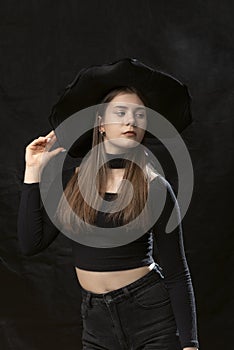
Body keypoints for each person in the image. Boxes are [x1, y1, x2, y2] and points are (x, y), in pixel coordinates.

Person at [17, 58, 199, 350]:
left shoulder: (155, 187)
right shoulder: (73, 185)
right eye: (121, 112)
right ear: (101, 123)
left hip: (150, 315)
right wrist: (33, 172)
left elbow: (178, 273)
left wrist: (190, 344)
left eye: (140, 115)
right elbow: (30, 244)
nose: (131, 121)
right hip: (97, 322)